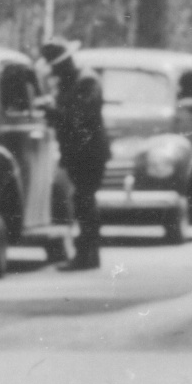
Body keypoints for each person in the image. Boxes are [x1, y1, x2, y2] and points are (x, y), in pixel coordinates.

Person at [41, 40, 110, 271]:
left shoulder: (86, 81)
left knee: (85, 200)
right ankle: (87, 253)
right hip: (75, 151)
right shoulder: (69, 82)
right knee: (82, 201)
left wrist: (54, 112)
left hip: (89, 151)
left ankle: (88, 254)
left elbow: (79, 116)